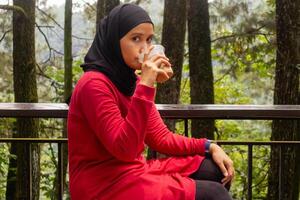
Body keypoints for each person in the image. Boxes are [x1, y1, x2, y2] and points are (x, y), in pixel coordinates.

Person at [68, 3, 234, 200]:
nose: (145, 48)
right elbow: (125, 150)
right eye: (136, 39)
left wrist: (209, 146)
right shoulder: (93, 84)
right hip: (103, 185)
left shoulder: (132, 81)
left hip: (133, 171)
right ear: (114, 40)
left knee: (214, 168)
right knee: (215, 195)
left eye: (149, 40)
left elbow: (160, 137)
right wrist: (147, 83)